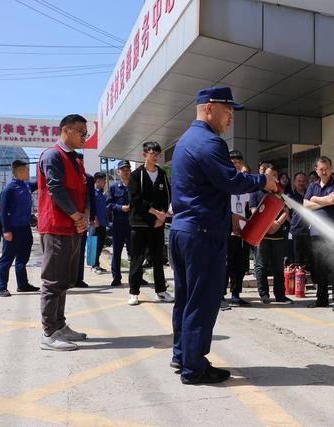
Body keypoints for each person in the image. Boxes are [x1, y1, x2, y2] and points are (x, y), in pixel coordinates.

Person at [170, 86, 277, 385]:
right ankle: (194, 367)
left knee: (186, 299)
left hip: (183, 231)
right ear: (208, 109)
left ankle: (182, 354)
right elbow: (230, 180)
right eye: (227, 111)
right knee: (202, 301)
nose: (230, 118)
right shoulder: (209, 142)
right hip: (202, 236)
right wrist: (262, 181)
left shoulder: (185, 141)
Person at [37, 114, 90, 351]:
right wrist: (76, 216)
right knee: (52, 281)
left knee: (65, 280)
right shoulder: (52, 155)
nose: (84, 137)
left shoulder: (77, 160)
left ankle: (59, 325)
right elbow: (55, 189)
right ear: (66, 130)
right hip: (57, 226)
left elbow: (84, 192)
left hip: (73, 227)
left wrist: (85, 216)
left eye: (85, 133)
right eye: (81, 131)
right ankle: (49, 333)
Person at [127, 141, 174, 306]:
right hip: (139, 224)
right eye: (151, 153)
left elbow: (167, 197)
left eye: (157, 154)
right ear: (144, 155)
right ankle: (133, 292)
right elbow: (135, 200)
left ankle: (160, 291)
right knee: (137, 259)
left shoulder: (162, 174)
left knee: (157, 259)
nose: (155, 157)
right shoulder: (136, 175)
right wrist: (156, 214)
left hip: (158, 225)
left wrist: (162, 217)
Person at [304, 156, 334, 311]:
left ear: (331, 167)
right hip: (315, 232)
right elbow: (305, 204)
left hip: (332, 232)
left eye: (327, 168)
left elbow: (333, 200)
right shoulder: (313, 185)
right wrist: (322, 200)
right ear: (316, 169)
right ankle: (322, 300)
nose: (324, 171)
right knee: (319, 268)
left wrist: (315, 199)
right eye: (321, 169)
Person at [0, 160, 39, 297]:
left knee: (22, 258)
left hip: (26, 229)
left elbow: (39, 184)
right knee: (7, 259)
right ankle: (1, 287)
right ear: (20, 172)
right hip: (12, 229)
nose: (28, 173)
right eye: (27, 170)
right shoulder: (9, 189)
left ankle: (23, 285)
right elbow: (3, 211)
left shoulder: (26, 186)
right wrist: (6, 230)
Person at [250, 165, 292, 304]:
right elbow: (254, 211)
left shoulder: (280, 193)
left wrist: (278, 224)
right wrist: (268, 225)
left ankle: (280, 295)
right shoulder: (256, 192)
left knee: (278, 267)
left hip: (279, 235)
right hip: (262, 235)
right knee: (261, 265)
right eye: (269, 175)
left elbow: (286, 211)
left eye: (275, 175)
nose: (273, 177)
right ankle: (264, 295)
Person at [225, 149, 251, 306]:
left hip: (243, 231)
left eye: (238, 163)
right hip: (226, 231)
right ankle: (220, 295)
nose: (235, 165)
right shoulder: (223, 183)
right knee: (225, 265)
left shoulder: (245, 184)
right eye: (232, 163)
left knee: (240, 264)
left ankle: (236, 294)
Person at [106, 160, 131, 286]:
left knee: (135, 252)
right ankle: (116, 277)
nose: (126, 172)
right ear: (118, 172)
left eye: (127, 170)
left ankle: (136, 277)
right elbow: (109, 205)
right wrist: (120, 208)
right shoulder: (113, 187)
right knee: (117, 251)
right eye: (123, 170)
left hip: (133, 224)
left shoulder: (135, 186)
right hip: (119, 224)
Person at [75, 170, 95, 288]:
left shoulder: (88, 178)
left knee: (81, 249)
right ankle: (66, 278)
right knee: (67, 250)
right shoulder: (65, 173)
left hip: (83, 216)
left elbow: (91, 198)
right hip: (67, 216)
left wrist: (91, 217)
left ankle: (78, 279)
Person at [287, 172, 311, 270]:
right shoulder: (290, 195)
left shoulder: (310, 194)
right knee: (297, 259)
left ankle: (314, 281)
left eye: (303, 181)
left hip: (310, 230)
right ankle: (299, 283)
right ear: (294, 182)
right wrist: (292, 222)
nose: (301, 183)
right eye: (299, 181)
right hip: (296, 230)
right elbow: (286, 211)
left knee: (310, 258)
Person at [91, 172, 109, 274]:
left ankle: (97, 264)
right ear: (97, 181)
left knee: (101, 245)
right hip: (96, 224)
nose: (105, 182)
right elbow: (92, 208)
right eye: (103, 180)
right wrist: (94, 218)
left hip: (102, 224)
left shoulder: (101, 194)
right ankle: (94, 265)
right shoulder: (93, 193)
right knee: (96, 245)